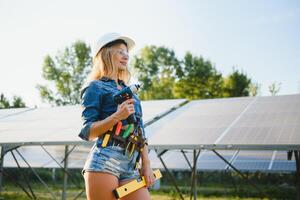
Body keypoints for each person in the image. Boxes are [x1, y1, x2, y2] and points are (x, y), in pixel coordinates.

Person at [78, 32, 155, 200]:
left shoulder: (132, 94)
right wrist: (117, 116)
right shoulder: (94, 87)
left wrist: (146, 164)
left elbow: (140, 131)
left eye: (127, 52)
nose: (126, 56)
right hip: (104, 162)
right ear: (105, 54)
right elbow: (87, 132)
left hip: (130, 165)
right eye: (120, 51)